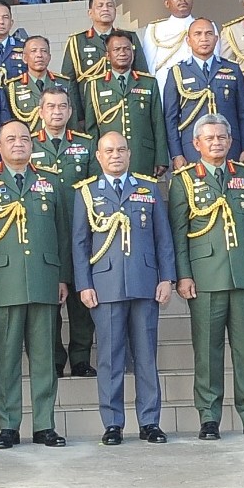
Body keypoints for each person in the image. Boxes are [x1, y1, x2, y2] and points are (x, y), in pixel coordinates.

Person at [169, 115, 244, 441]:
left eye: (222, 137)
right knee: (207, 352)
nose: (217, 142)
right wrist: (183, 275)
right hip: (205, 277)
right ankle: (209, 416)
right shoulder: (184, 180)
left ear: (230, 141)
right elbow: (178, 234)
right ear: (196, 144)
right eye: (210, 138)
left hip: (243, 273)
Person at [71, 131, 173, 446]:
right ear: (98, 156)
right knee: (110, 358)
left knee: (146, 357)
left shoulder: (148, 188)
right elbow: (79, 243)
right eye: (109, 151)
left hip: (145, 282)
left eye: (121, 150)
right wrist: (84, 284)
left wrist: (167, 278)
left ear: (129, 154)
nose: (115, 155)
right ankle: (113, 423)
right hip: (105, 285)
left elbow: (163, 238)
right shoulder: (87, 192)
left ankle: (149, 422)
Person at [0, 121, 70, 450]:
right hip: (2, 280)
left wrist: (62, 276)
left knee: (45, 358)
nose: (19, 144)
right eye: (11, 139)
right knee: (6, 359)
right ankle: (8, 425)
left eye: (25, 139)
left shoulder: (50, 181)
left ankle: (44, 425)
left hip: (43, 277)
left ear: (33, 145)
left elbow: (62, 232)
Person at [29, 86, 98, 378]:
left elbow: (95, 187)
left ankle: (80, 357)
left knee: (81, 299)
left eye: (62, 107)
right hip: (43, 233)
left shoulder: (86, 144)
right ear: (40, 111)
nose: (56, 112)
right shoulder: (28, 143)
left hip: (79, 231)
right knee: (48, 300)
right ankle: (54, 358)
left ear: (70, 112)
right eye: (51, 106)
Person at [165, 18, 244, 169]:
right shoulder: (177, 72)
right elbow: (170, 118)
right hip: (192, 148)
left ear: (216, 39)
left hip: (229, 146)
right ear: (188, 40)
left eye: (209, 34)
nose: (204, 38)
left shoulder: (233, 69)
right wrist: (176, 154)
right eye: (198, 34)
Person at [80, 31, 167, 177]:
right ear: (108, 55)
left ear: (133, 53)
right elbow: (92, 128)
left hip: (142, 156)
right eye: (117, 49)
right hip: (109, 159)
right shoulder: (94, 85)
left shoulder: (148, 83)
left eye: (127, 49)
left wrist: (161, 158)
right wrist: (94, 162)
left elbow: (158, 122)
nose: (122, 53)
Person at [62, 0, 148, 94]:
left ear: (115, 11)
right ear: (90, 13)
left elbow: (142, 74)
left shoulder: (129, 37)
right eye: (100, 6)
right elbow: (69, 82)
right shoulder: (77, 41)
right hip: (90, 100)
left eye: (109, 5)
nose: (105, 9)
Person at [140, 0, 204, 95]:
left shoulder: (207, 27)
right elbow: (149, 66)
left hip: (200, 86)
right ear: (167, 3)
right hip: (165, 86)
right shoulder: (155, 28)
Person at [6, 36, 79, 131]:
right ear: (24, 58)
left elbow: (73, 121)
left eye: (44, 51)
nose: (39, 55)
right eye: (33, 51)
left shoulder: (64, 83)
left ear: (49, 57)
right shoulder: (13, 87)